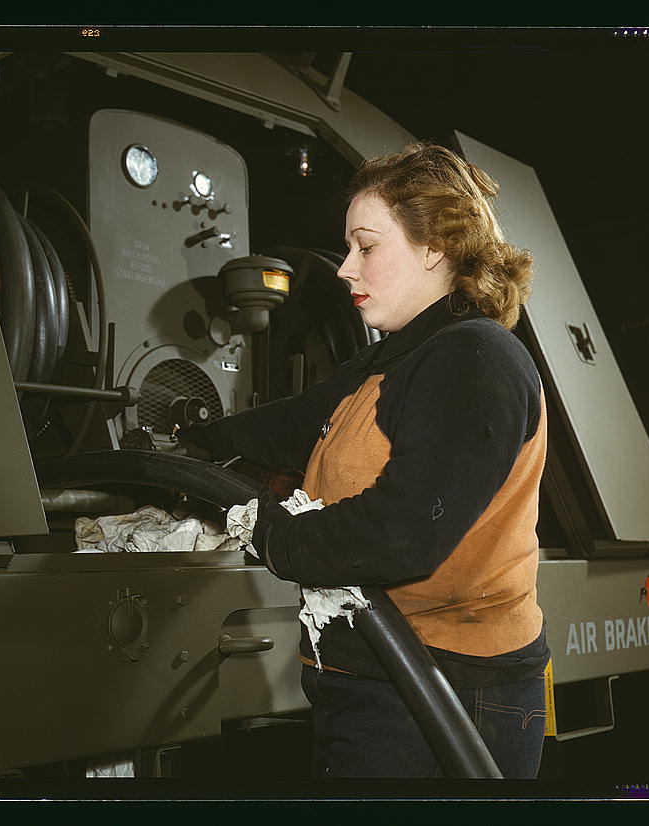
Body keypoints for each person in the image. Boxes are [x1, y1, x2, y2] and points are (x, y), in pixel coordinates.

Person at [179, 141, 550, 779]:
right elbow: (295, 424)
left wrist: (268, 531)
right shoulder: (397, 358)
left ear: (435, 247)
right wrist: (194, 440)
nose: (346, 268)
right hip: (376, 683)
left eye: (367, 247)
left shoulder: (474, 359)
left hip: (445, 692)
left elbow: (400, 533)